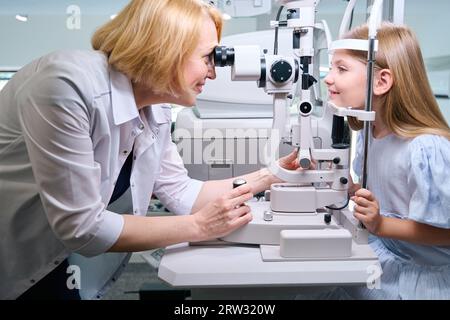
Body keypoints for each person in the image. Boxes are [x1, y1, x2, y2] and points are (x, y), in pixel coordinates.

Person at [0, 0, 299, 300]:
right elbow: (82, 226)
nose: (213, 73)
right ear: (166, 49)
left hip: (63, 260)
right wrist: (197, 226)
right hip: (17, 260)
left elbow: (181, 192)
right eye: (208, 57)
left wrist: (272, 175)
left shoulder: (154, 108)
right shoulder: (65, 87)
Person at [324, 22, 450, 299]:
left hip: (420, 280)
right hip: (384, 258)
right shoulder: (373, 132)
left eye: (341, 69)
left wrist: (381, 224)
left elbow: (447, 233)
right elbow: (390, 195)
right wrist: (357, 191)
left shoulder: (426, 149)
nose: (328, 78)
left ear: (381, 81)